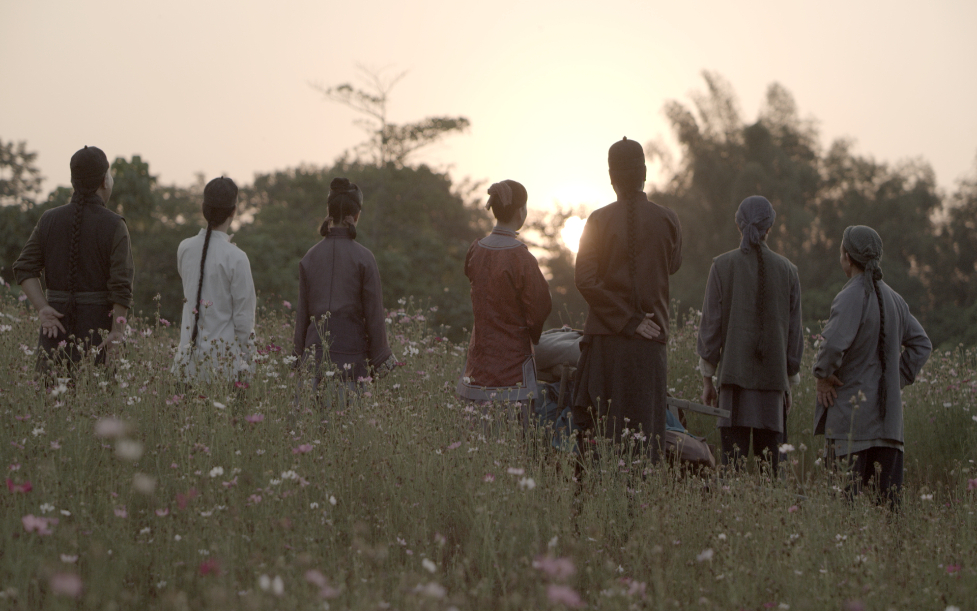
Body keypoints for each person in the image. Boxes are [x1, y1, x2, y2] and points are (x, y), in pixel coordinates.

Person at [572, 137, 682, 461]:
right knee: (647, 440)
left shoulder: (597, 220)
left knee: (605, 437)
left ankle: (605, 493)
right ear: (644, 173)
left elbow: (584, 280)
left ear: (611, 177)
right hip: (651, 344)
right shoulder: (668, 219)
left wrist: (626, 320)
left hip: (607, 347)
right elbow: (673, 265)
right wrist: (637, 319)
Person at [813, 225, 931, 506]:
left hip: (850, 426)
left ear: (847, 257)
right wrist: (893, 379)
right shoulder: (896, 300)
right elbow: (922, 345)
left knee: (843, 513)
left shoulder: (849, 296)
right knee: (890, 516)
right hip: (889, 430)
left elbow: (832, 345)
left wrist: (823, 376)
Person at [696, 196, 803, 475]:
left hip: (734, 388)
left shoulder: (721, 266)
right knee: (773, 476)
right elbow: (794, 336)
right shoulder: (789, 271)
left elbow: (710, 329)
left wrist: (707, 380)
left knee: (733, 473)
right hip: (773, 388)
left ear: (738, 224)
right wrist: (788, 385)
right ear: (770, 228)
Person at [13, 146, 133, 372]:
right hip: (98, 336)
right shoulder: (115, 225)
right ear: (105, 181)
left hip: (54, 332)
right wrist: (117, 332)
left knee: (50, 392)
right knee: (94, 393)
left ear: (73, 182)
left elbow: (24, 268)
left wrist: (42, 308)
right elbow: (121, 285)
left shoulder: (49, 219)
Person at [456, 180, 552, 427]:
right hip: (513, 366)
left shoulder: (475, 250)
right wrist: (532, 334)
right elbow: (540, 307)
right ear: (520, 212)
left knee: (476, 439)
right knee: (513, 439)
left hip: (478, 363)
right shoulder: (522, 258)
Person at [293, 177, 393, 398]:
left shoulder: (309, 257)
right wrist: (380, 360)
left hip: (312, 367)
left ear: (328, 213)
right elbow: (374, 317)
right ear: (356, 216)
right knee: (346, 420)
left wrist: (297, 358)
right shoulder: (364, 258)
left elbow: (302, 316)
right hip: (352, 368)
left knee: (311, 421)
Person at [172, 177, 256, 383]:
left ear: (204, 208)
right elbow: (244, 321)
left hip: (186, 367)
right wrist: (250, 364)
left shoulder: (184, 248)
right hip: (223, 369)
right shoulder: (237, 258)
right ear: (233, 211)